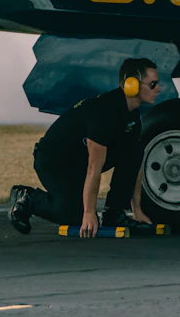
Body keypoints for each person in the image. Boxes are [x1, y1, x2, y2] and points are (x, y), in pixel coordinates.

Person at [8, 58, 163, 237]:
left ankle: (115, 213)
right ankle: (26, 198)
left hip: (78, 160)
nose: (158, 89)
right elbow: (93, 167)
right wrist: (89, 213)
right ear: (131, 84)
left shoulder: (132, 116)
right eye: (153, 84)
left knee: (134, 150)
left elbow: (134, 163)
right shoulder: (105, 112)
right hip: (55, 162)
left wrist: (137, 209)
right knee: (73, 215)